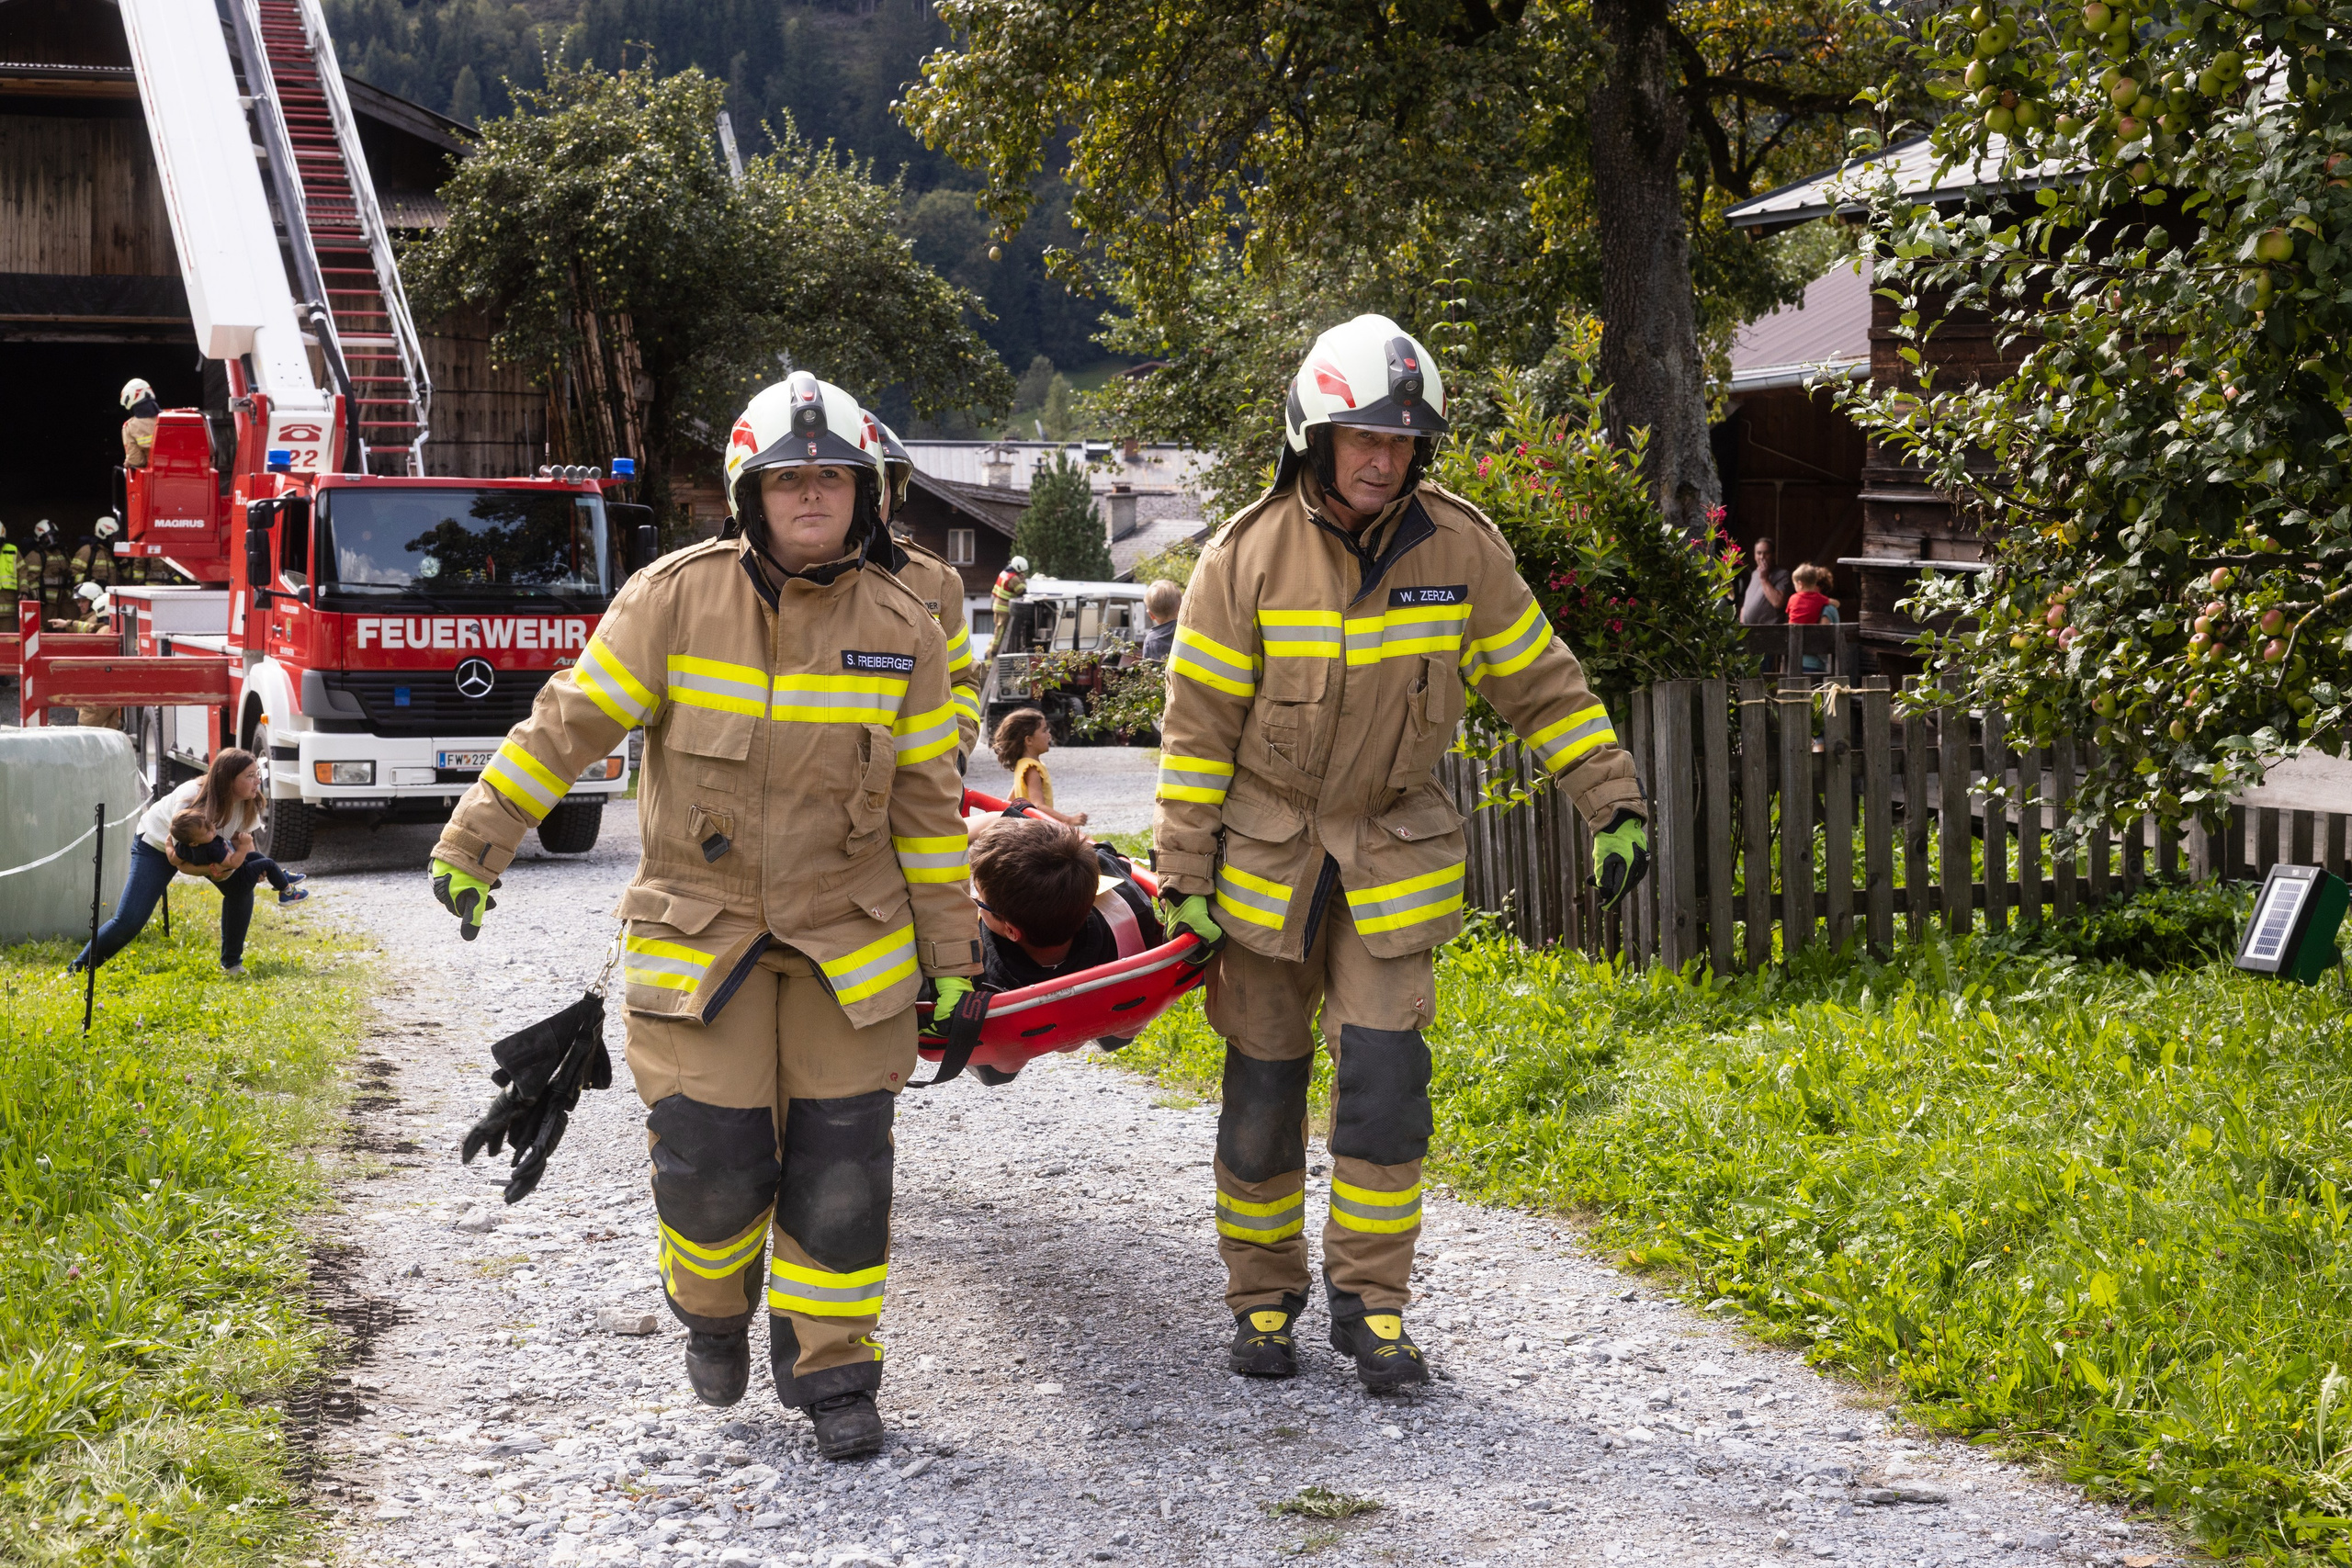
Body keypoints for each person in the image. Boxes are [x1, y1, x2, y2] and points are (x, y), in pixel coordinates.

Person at [426, 371, 978, 1461]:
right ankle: (712, 1313)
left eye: (832, 477)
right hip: (704, 934)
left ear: (865, 494)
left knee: (843, 1165)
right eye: (789, 478)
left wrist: (956, 955)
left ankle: (834, 1370)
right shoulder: (674, 598)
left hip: (851, 943)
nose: (811, 494)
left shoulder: (903, 626)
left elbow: (927, 802)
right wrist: (478, 837)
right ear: (750, 494)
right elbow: (568, 722)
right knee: (713, 1161)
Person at [1151, 313, 1651, 1393]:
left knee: (1384, 1089)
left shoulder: (1459, 546)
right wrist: (1184, 876)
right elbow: (1195, 737)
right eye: (1362, 438)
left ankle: (1372, 1308)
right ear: (1312, 436)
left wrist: (1610, 799)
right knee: (1262, 1093)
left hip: (1389, 855)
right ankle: (1262, 1301)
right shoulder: (1243, 559)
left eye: (1403, 441)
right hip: (1264, 863)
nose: (1383, 459)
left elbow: (1539, 680)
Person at [72, 748, 272, 977]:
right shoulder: (191, 798)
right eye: (249, 775)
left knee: (241, 888)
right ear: (228, 778)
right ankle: (77, 971)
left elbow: (245, 840)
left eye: (257, 773)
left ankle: (232, 964)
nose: (258, 780)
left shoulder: (249, 800)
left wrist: (253, 868)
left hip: (208, 847)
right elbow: (182, 862)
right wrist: (218, 868)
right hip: (158, 846)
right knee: (129, 921)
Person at [873, 417, 983, 765]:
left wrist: (958, 748)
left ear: (896, 491)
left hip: (915, 786)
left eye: (879, 483)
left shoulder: (934, 580)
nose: (871, 497)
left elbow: (962, 681)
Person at [967, 811, 1162, 994]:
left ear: (1011, 931)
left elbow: (996, 816)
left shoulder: (979, 972)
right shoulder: (1131, 907)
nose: (975, 898)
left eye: (978, 896)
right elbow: (1107, 857)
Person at [173, 807, 308, 904]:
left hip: (236, 876)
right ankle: (287, 893)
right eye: (207, 831)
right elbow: (233, 863)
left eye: (209, 824)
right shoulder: (212, 848)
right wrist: (244, 845)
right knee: (268, 863)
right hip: (238, 880)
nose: (212, 829)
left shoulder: (184, 846)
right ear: (194, 843)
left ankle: (280, 876)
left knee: (256, 857)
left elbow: (172, 857)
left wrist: (168, 841)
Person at [992, 706, 1087, 828]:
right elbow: (1038, 806)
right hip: (1038, 829)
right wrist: (1069, 820)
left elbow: (1011, 801)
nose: (1049, 735)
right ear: (1029, 740)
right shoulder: (1032, 769)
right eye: (1044, 731)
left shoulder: (1023, 765)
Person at [1736, 536, 1791, 625]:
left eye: (1766, 553)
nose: (1762, 557)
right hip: (1749, 628)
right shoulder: (1754, 574)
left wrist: (1764, 579)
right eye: (1759, 553)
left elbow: (1777, 602)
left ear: (1773, 555)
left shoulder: (1782, 574)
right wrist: (1744, 612)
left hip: (1768, 630)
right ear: (1754, 555)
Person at [120, 378, 159, 468]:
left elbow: (136, 461)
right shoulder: (172, 419)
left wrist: (128, 461)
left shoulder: (129, 427)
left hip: (155, 479)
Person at [1140, 578, 1181, 661]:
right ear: (1180, 608)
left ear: (1151, 615)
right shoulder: (1185, 631)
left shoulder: (1151, 640)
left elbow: (1147, 669)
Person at [990, 554, 1029, 626]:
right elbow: (1021, 592)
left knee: (998, 629)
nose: (1022, 573)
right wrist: (1023, 580)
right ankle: (997, 639)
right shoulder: (1014, 578)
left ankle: (996, 638)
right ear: (1018, 568)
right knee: (1002, 631)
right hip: (1004, 607)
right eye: (1022, 571)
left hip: (997, 604)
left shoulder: (1004, 573)